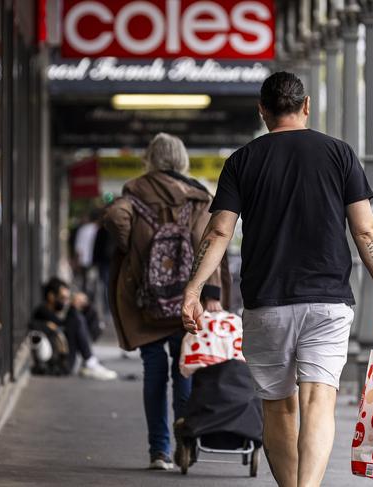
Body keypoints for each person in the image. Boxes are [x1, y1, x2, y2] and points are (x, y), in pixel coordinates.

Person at [182, 72, 373, 487]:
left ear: (262, 110)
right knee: (319, 403)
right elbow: (366, 230)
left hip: (267, 303)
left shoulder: (243, 160)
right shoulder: (339, 153)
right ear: (307, 106)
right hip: (328, 301)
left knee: (278, 407)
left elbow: (219, 232)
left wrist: (193, 290)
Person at [104, 133, 226, 471]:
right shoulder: (199, 197)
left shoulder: (136, 191)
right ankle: (185, 440)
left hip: (148, 299)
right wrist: (212, 294)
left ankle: (158, 450)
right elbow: (209, 243)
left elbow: (115, 218)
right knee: (184, 369)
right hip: (189, 300)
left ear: (151, 158)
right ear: (182, 159)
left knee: (154, 371)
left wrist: (136, 251)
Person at [33, 277, 117, 381]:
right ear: (51, 296)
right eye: (62, 298)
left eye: (67, 299)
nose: (65, 302)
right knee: (75, 317)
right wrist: (73, 307)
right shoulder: (43, 311)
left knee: (84, 315)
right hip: (61, 364)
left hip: (67, 358)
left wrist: (85, 304)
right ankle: (90, 362)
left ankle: (90, 361)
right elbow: (61, 324)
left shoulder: (56, 312)